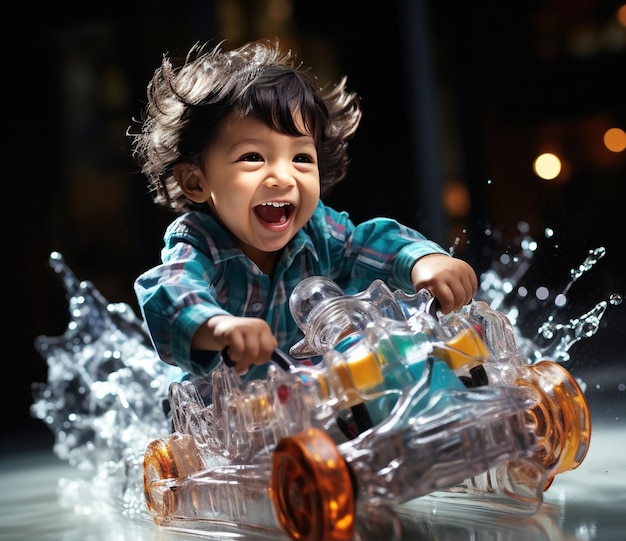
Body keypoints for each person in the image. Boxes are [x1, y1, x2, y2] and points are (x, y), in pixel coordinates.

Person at [131, 38, 478, 397]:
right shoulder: (198, 242)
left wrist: (424, 261)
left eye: (301, 158)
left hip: (313, 400)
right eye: (252, 157)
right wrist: (218, 326)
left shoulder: (318, 231)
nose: (284, 177)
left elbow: (371, 241)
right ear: (195, 181)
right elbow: (172, 291)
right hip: (227, 416)